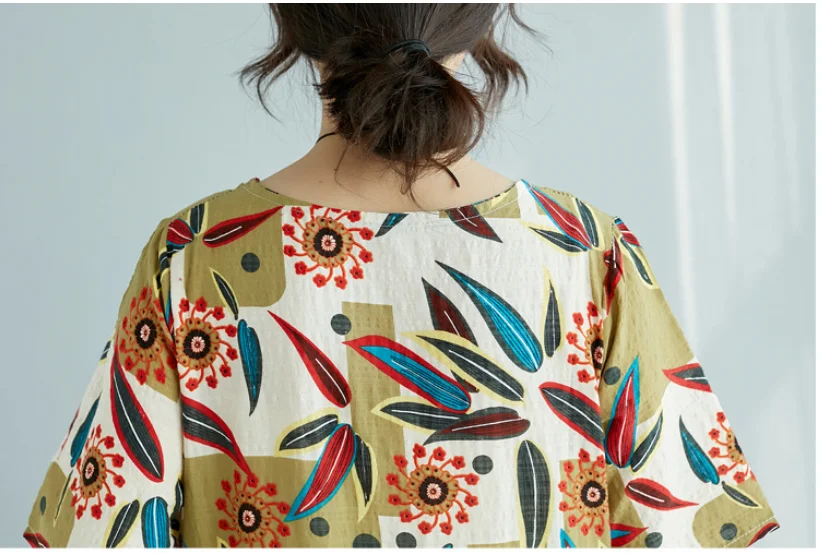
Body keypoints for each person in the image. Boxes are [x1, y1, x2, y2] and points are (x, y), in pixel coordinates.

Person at [24, 4, 779, 548]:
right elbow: (691, 519)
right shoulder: (583, 251)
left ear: (292, 24)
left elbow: (101, 525)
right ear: (480, 26)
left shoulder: (194, 255)